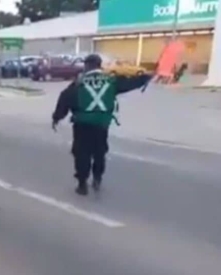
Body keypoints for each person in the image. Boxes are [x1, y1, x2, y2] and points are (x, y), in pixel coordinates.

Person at [52, 54, 152, 195]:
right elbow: (129, 83)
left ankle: (82, 185)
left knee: (82, 153)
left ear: (87, 66)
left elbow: (65, 98)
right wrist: (145, 78)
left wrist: (57, 117)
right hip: (101, 124)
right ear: (100, 65)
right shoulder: (111, 81)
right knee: (99, 152)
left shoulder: (79, 82)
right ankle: (97, 179)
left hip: (82, 125)